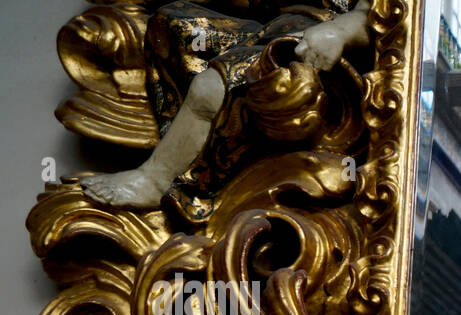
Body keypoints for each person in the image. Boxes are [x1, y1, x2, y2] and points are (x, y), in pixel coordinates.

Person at [82, 0, 372, 209]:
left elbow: (374, 17)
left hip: (311, 47)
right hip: (272, 28)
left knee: (212, 86)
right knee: (172, 24)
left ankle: (158, 180)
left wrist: (340, 32)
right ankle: (188, 141)